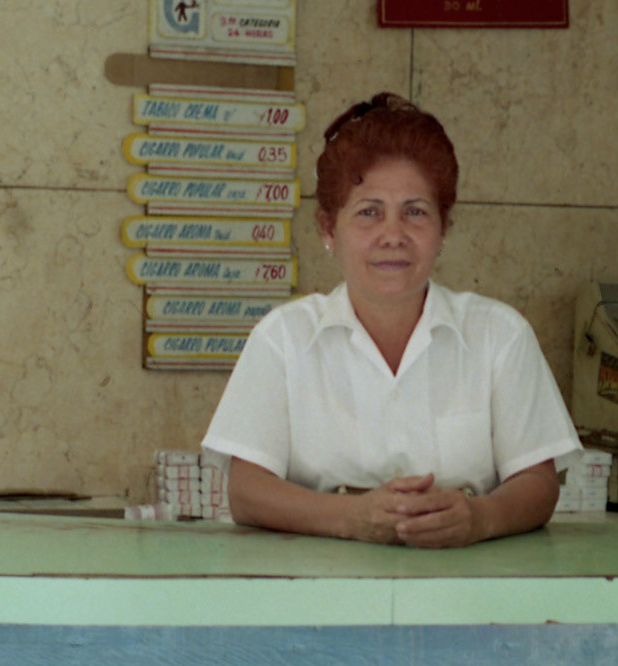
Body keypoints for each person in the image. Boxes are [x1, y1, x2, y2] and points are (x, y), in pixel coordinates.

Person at [202, 93, 581, 547]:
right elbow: (246, 492)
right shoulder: (282, 337)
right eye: (369, 212)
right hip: (317, 582)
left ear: (443, 228)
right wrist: (351, 518)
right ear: (328, 229)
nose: (393, 235)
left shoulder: (500, 334)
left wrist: (479, 519)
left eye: (415, 212)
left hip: (469, 583)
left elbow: (538, 482)